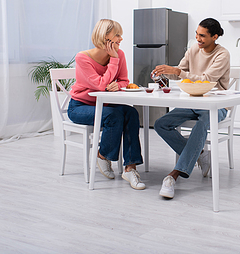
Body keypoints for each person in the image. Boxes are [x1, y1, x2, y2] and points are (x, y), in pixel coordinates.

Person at [152, 18, 230, 198]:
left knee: (201, 125)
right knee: (161, 124)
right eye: (196, 34)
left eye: (202, 36)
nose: (198, 38)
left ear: (215, 37)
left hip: (216, 105)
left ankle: (174, 176)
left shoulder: (222, 54)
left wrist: (178, 72)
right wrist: (165, 74)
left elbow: (206, 79)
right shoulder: (194, 49)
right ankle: (200, 154)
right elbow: (181, 74)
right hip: (193, 101)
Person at [67, 19, 145, 190]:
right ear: (104, 36)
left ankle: (130, 168)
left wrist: (119, 85)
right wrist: (114, 60)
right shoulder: (83, 58)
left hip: (106, 105)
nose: (121, 39)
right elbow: (101, 85)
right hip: (80, 107)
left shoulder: (120, 54)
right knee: (114, 116)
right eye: (117, 35)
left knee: (131, 113)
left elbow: (124, 80)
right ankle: (103, 156)